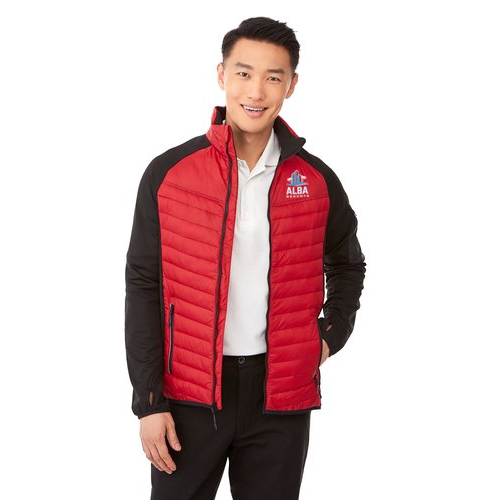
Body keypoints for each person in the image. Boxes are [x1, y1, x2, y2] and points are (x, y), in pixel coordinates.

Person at [125, 16, 366, 500]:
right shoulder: (169, 174)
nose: (256, 91)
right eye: (243, 73)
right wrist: (149, 402)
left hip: (279, 396)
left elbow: (347, 264)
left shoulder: (316, 180)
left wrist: (327, 337)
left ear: (291, 85)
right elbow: (144, 283)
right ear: (222, 75)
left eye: (273, 77)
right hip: (188, 393)